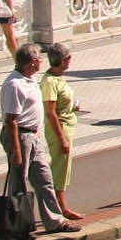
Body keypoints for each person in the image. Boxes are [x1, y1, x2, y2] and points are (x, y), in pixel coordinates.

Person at [0, 44, 79, 233]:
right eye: (38, 59)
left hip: (33, 135)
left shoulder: (30, 79)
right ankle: (17, 225)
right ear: (32, 62)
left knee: (44, 178)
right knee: (18, 181)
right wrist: (16, 151)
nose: (42, 62)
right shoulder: (14, 84)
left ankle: (55, 221)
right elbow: (11, 120)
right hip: (20, 136)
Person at [39, 42, 84, 221]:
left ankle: (59, 204)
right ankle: (61, 207)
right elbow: (50, 112)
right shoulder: (50, 82)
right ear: (62, 60)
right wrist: (62, 139)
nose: (70, 60)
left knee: (64, 167)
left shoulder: (58, 78)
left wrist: (73, 106)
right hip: (60, 128)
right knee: (60, 168)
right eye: (68, 58)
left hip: (67, 124)